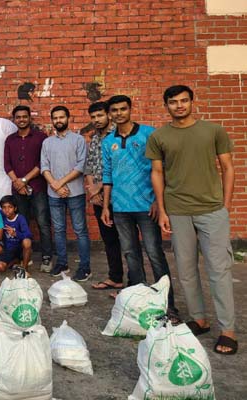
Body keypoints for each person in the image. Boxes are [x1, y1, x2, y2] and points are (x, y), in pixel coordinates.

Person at [147, 85, 237, 355]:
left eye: (184, 101)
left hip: (211, 210)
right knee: (186, 270)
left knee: (218, 270)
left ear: (192, 102)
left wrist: (226, 205)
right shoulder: (159, 136)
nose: (179, 106)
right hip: (178, 210)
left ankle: (228, 330)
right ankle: (199, 318)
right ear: (166, 105)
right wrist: (162, 210)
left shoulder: (213, 131)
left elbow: (228, 167)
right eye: (173, 102)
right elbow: (157, 173)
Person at [101, 95, 177, 316]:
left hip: (147, 206)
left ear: (130, 109)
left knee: (154, 254)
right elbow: (107, 175)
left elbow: (161, 168)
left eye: (123, 109)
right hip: (121, 208)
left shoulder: (148, 134)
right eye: (114, 110)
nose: (119, 114)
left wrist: (157, 200)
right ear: (110, 114)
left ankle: (168, 305)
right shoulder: (108, 142)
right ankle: (138, 302)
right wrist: (106, 206)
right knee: (130, 254)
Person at [41, 106, 90, 281]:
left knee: (80, 231)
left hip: (75, 192)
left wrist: (60, 183)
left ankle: (85, 267)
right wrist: (55, 185)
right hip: (54, 194)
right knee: (59, 230)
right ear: (52, 120)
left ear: (68, 118)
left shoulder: (78, 140)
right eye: (55, 118)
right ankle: (62, 263)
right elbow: (44, 167)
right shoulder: (47, 142)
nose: (58, 120)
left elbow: (80, 166)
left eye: (62, 117)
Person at [3, 105, 53, 272]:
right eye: (18, 117)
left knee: (42, 223)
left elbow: (43, 163)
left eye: (25, 116)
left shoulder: (41, 138)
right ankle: (25, 256)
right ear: (14, 120)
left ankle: (47, 258)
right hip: (18, 189)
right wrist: (17, 182)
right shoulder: (10, 140)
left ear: (29, 118)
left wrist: (24, 180)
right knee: (20, 224)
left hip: (37, 187)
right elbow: (7, 164)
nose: (22, 120)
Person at [84, 102, 124, 292]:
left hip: (119, 196)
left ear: (108, 114)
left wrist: (98, 189)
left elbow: (120, 168)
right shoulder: (94, 139)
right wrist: (93, 192)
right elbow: (89, 166)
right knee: (109, 239)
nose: (96, 120)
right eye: (93, 117)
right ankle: (115, 277)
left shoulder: (119, 135)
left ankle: (134, 284)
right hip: (99, 198)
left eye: (99, 116)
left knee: (127, 240)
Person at [0, 196, 33, 276]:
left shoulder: (20, 218)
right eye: (4, 207)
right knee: (0, 267)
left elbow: (28, 234)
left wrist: (16, 233)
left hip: (20, 248)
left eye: (10, 207)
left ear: (15, 208)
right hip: (9, 250)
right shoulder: (2, 218)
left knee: (27, 241)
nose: (7, 210)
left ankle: (24, 268)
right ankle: (16, 262)